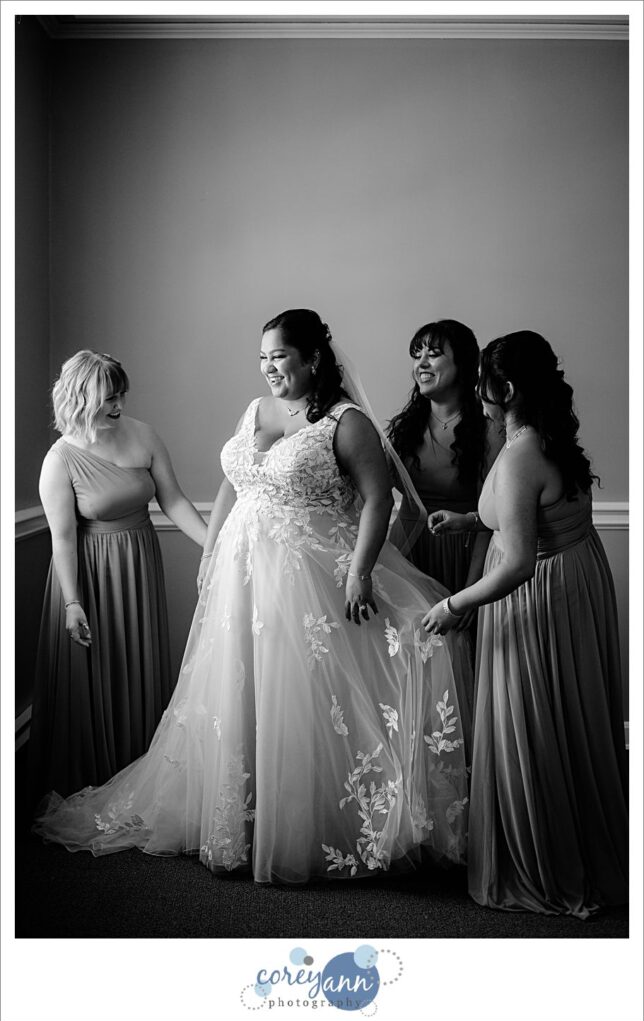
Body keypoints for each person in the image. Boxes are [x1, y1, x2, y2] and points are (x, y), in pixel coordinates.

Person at [33, 310, 472, 885]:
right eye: (262, 357)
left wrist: (360, 572)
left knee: (307, 693)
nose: (268, 368)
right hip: (241, 575)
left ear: (312, 359)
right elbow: (233, 484)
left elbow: (377, 500)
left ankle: (310, 823)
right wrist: (212, 554)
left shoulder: (347, 422)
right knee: (240, 688)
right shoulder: (256, 410)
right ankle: (241, 817)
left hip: (309, 575)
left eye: (280, 356)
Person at [423, 331, 628, 918]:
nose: (477, 395)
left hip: (537, 597)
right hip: (576, 581)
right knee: (569, 715)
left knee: (534, 721)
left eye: (484, 383)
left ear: (503, 388)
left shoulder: (517, 455)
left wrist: (455, 605)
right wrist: (469, 520)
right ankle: (583, 844)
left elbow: (514, 562)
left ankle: (547, 862)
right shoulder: (549, 438)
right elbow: (539, 512)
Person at [28, 351, 208, 802]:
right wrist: (72, 603)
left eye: (121, 395)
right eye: (109, 398)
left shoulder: (143, 434)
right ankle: (94, 777)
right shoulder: (60, 461)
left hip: (139, 565)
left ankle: (142, 772)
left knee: (137, 660)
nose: (118, 406)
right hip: (89, 575)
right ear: (82, 397)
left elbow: (175, 501)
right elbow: (63, 541)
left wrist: (216, 545)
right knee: (97, 673)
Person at [387, 320, 500, 638]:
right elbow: (377, 492)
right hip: (408, 553)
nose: (421, 363)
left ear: (463, 363)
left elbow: (490, 519)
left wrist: (471, 591)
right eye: (416, 354)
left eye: (433, 354)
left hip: (463, 557)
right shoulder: (405, 427)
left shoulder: (487, 429)